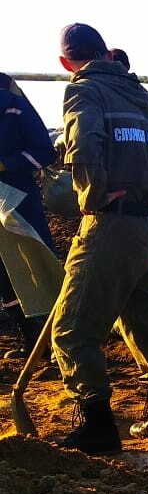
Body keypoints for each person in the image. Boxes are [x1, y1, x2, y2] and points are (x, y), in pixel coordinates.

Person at [54, 22, 148, 455]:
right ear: (107, 53)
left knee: (72, 331)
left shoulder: (83, 89)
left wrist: (93, 196)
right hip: (146, 224)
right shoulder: (140, 94)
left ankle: (97, 427)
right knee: (141, 317)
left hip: (110, 223)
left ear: (65, 61)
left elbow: (84, 143)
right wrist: (143, 189)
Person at [0, 72, 58, 358]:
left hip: (17, 201)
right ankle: (27, 336)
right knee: (2, 275)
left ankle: (51, 339)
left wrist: (5, 164)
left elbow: (45, 152)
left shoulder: (12, 99)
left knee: (34, 265)